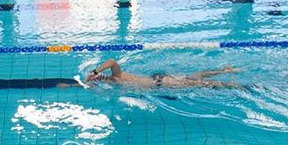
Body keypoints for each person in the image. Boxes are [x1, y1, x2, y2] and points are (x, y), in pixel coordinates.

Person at [84, 58, 239, 89]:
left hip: (161, 83)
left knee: (199, 84)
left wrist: (94, 72)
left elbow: (111, 61)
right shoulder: (115, 79)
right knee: (195, 77)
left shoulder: (117, 77)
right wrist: (95, 78)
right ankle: (225, 71)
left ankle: (230, 84)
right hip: (160, 80)